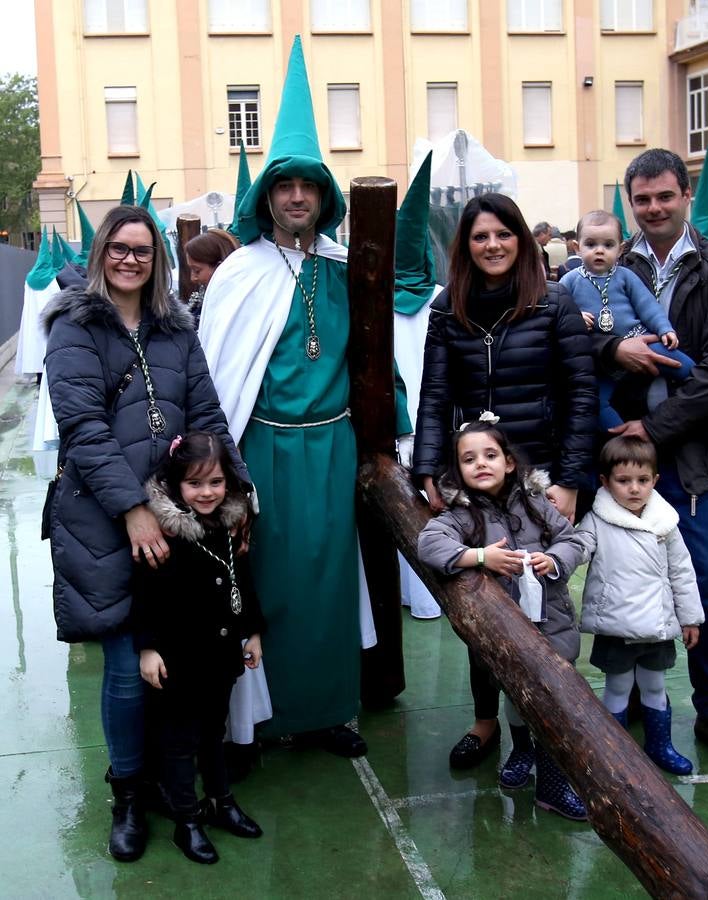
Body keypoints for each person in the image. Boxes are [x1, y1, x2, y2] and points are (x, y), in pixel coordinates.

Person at [198, 37, 391, 757]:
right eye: (285, 185)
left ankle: (327, 712)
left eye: (309, 185)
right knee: (265, 580)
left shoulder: (348, 269)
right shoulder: (239, 274)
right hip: (263, 447)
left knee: (331, 578)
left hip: (333, 443)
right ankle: (260, 722)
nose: (297, 196)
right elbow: (220, 374)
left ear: (326, 196)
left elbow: (380, 353)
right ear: (267, 196)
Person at [42, 204, 248, 862]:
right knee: (130, 670)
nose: (131, 259)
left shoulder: (175, 329)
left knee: (181, 659)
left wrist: (238, 494)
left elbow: (207, 412)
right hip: (106, 522)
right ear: (101, 251)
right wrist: (134, 508)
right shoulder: (73, 328)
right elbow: (83, 428)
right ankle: (128, 792)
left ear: (157, 259)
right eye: (119, 248)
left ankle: (173, 782)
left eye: (143, 250)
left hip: (181, 518)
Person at [413, 192, 596, 770]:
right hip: (475, 472)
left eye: (502, 234)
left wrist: (566, 479)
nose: (492, 245)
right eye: (479, 237)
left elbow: (580, 395)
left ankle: (544, 723)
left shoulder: (554, 303)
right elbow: (436, 393)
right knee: (483, 597)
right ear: (465, 247)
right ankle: (487, 718)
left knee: (543, 599)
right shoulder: (449, 309)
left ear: (521, 239)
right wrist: (427, 468)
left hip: (538, 470)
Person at [591, 148, 708, 772]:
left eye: (665, 196)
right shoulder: (609, 260)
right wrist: (615, 348)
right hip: (621, 456)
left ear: (686, 196)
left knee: (704, 582)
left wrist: (653, 430)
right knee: (623, 577)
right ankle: (632, 692)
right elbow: (577, 336)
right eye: (643, 199)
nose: (654, 208)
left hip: (686, 454)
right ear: (629, 203)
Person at [418, 419, 586, 819]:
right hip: (505, 632)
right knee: (516, 698)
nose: (481, 464)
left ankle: (551, 785)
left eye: (490, 455)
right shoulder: (462, 514)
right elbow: (428, 543)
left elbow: (574, 540)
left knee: (551, 706)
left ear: (509, 463)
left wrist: (555, 559)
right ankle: (521, 751)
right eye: (469, 459)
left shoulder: (536, 503)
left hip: (552, 627)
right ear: (458, 471)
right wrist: (480, 557)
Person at [133, 432, 263, 864]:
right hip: (177, 660)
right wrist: (147, 648)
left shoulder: (229, 524)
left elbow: (244, 580)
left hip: (219, 655)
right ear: (176, 484)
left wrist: (253, 631)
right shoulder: (164, 533)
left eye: (215, 483)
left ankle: (221, 802)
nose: (206, 493)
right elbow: (144, 593)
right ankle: (186, 821)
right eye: (194, 484)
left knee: (213, 732)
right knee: (179, 740)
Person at [572, 436, 704, 775]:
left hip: (656, 626)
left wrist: (690, 618)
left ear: (655, 481)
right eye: (624, 480)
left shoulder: (666, 522)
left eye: (643, 480)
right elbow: (578, 548)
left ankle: (660, 745)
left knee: (655, 685)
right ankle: (616, 754)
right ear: (605, 482)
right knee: (617, 687)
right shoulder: (597, 520)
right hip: (617, 626)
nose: (634, 489)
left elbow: (682, 572)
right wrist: (555, 560)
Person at [560, 209, 694, 431]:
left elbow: (648, 306)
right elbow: (558, 311)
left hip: (641, 339)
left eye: (608, 245)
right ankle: (625, 441)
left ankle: (700, 396)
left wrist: (664, 329)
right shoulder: (570, 280)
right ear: (577, 247)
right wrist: (575, 318)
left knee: (682, 365)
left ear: (620, 249)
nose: (599, 251)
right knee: (596, 401)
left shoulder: (625, 276)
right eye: (591, 244)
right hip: (603, 359)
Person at [184, 229, 240, 326]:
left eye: (197, 271)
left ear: (219, 267)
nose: (192, 278)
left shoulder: (235, 311)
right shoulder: (199, 305)